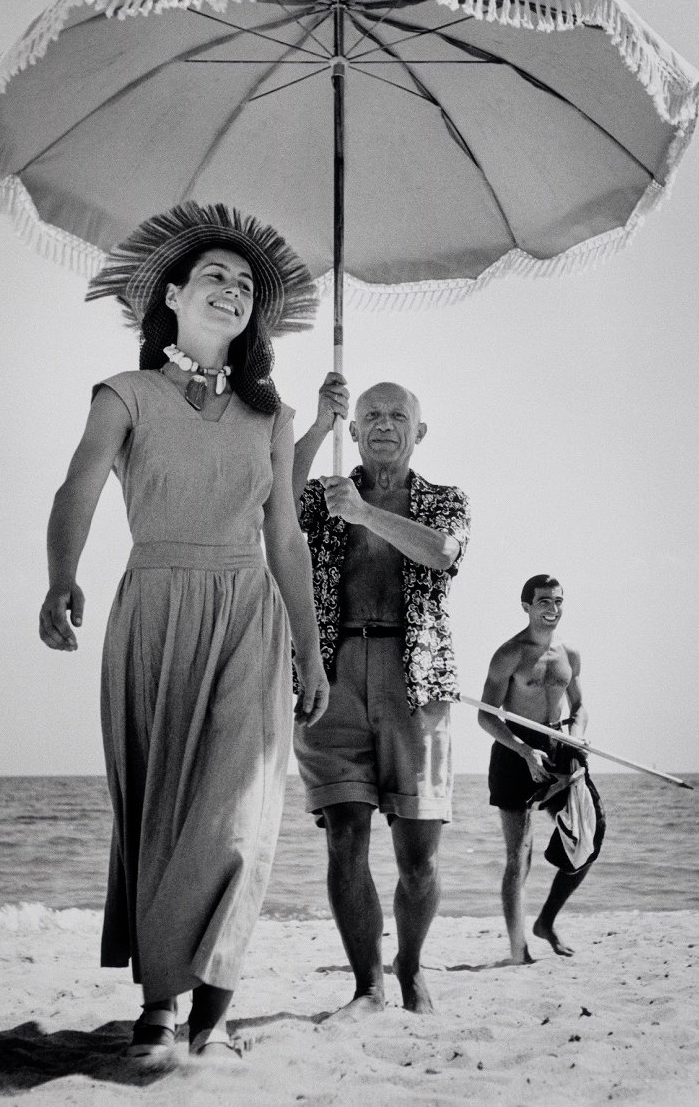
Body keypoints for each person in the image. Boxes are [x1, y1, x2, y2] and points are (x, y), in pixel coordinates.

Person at [38, 202, 329, 1063]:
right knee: (163, 811)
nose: (232, 290)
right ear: (170, 295)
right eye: (215, 275)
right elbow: (78, 490)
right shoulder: (123, 395)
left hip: (248, 614)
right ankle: (161, 1001)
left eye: (245, 284)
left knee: (238, 816)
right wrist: (61, 576)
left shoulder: (271, 417)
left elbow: (284, 538)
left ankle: (215, 999)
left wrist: (309, 649)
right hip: (156, 607)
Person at [292, 373, 471, 1016]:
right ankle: (366, 984)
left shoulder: (445, 499)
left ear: (419, 431)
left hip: (415, 678)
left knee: (418, 853)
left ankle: (411, 966)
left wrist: (365, 514)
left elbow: (442, 555)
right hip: (331, 673)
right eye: (370, 415)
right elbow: (271, 503)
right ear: (355, 429)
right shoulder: (325, 494)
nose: (384, 425)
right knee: (344, 836)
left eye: (398, 415)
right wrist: (316, 426)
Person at [479, 574, 605, 965]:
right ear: (527, 607)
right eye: (544, 602)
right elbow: (486, 717)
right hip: (515, 749)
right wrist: (522, 750)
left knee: (589, 837)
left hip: (560, 744)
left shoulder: (570, 653)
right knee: (520, 854)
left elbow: (579, 706)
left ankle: (546, 921)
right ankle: (518, 950)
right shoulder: (510, 654)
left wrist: (578, 734)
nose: (552, 610)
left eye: (558, 602)